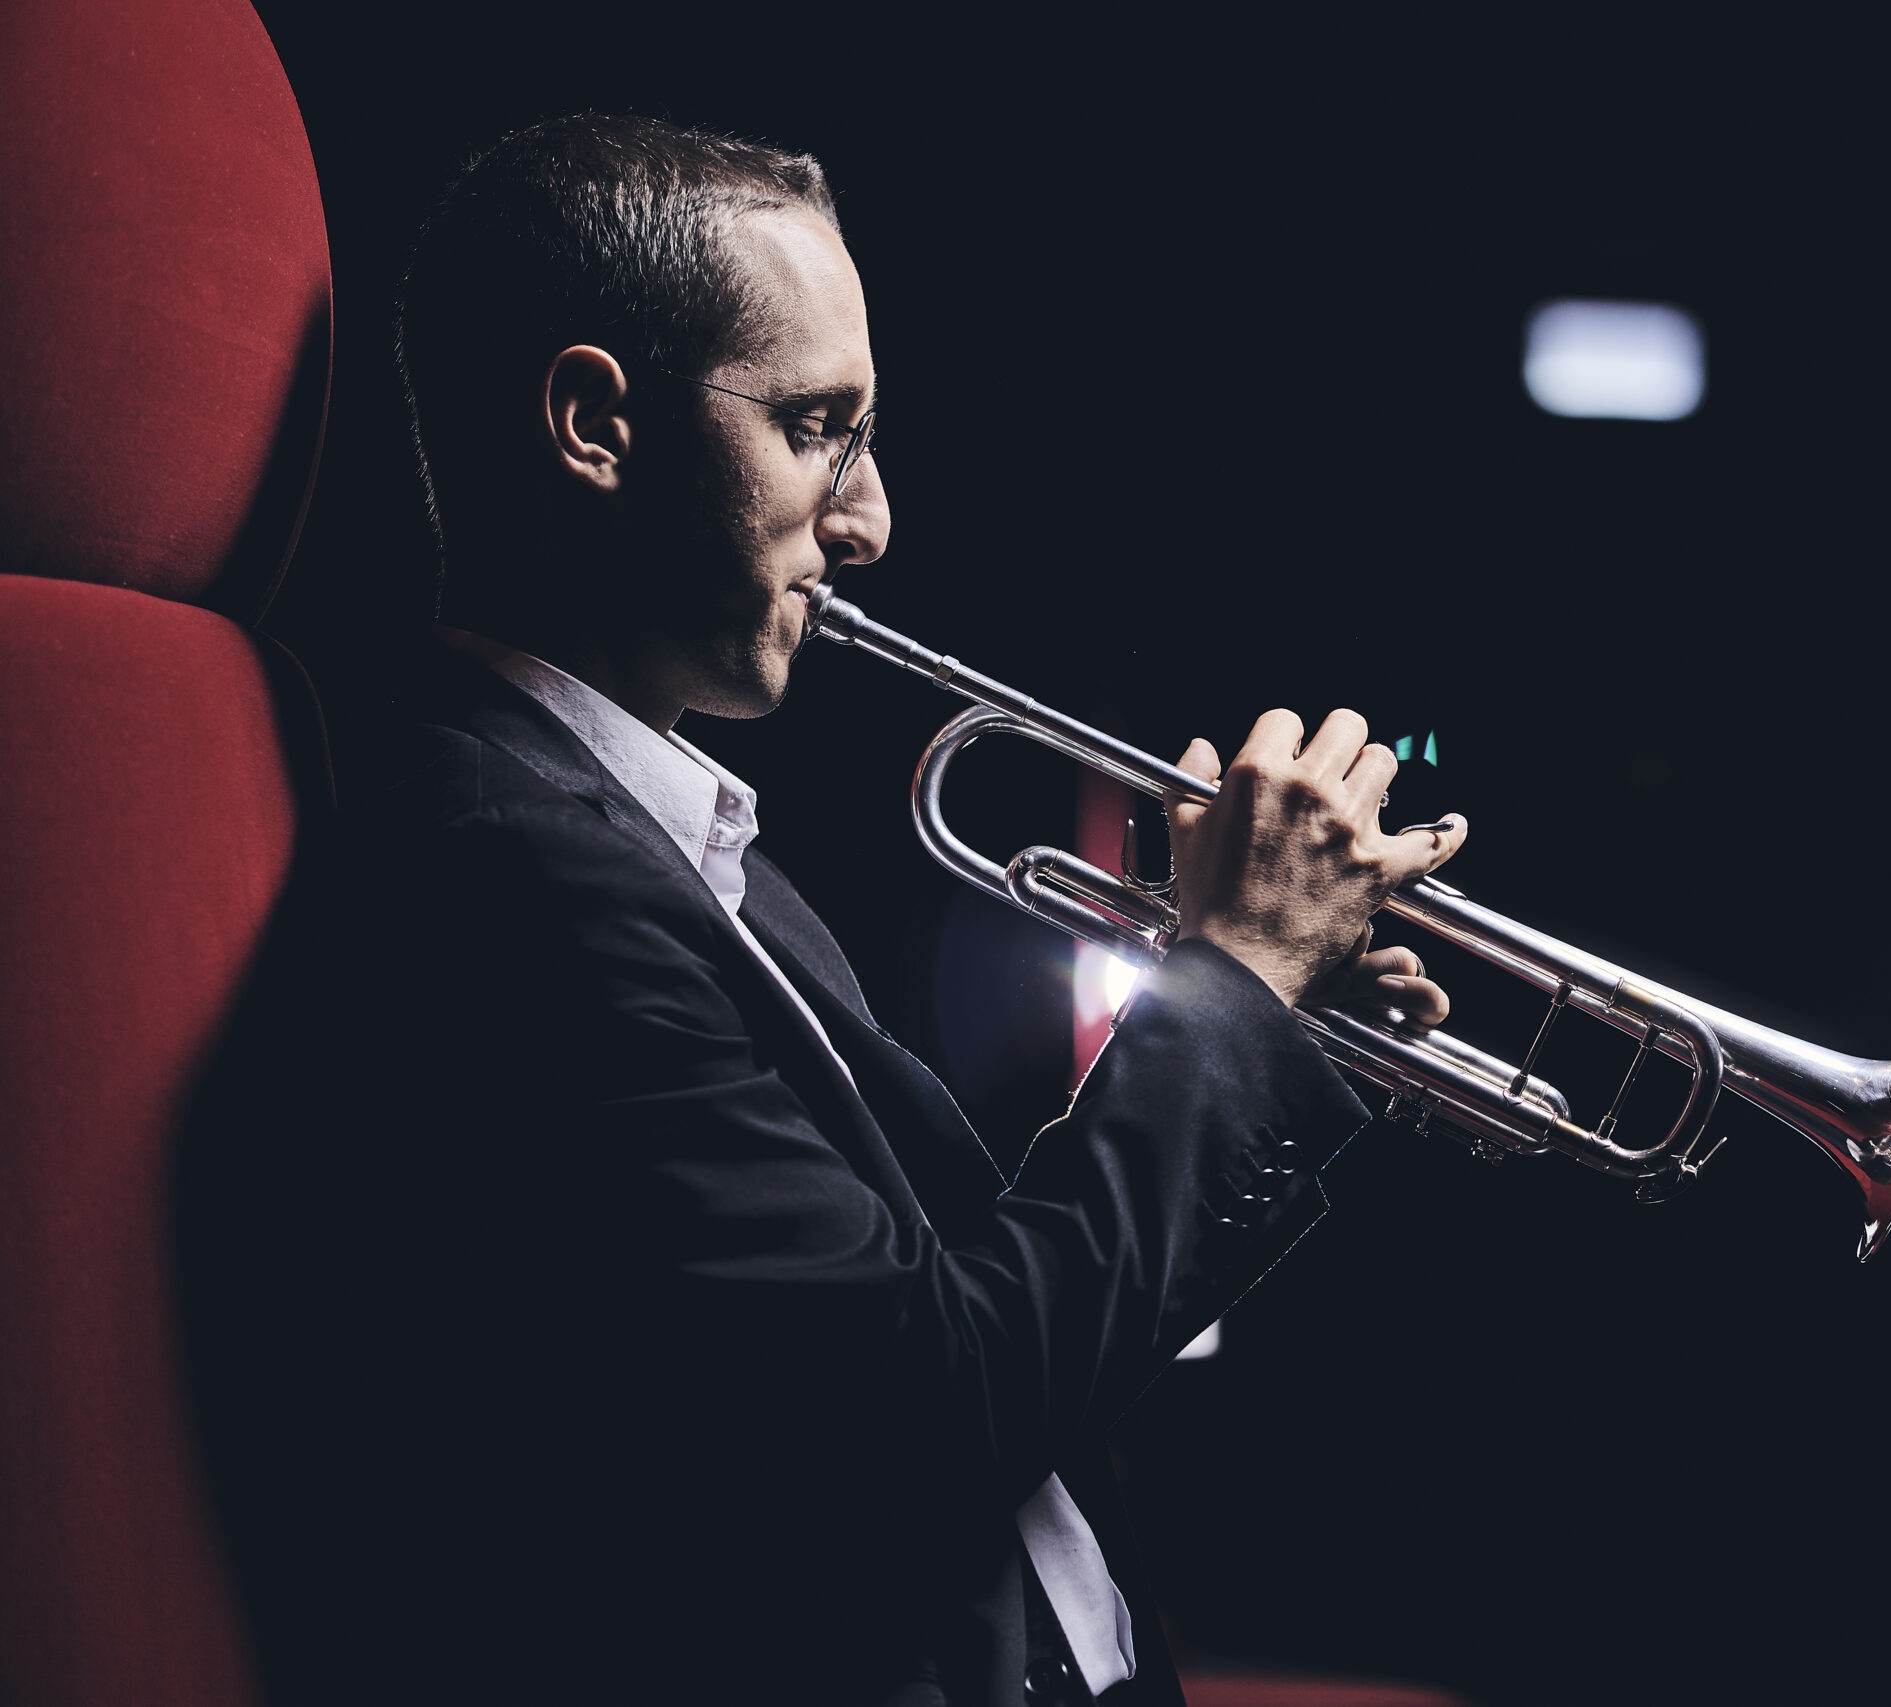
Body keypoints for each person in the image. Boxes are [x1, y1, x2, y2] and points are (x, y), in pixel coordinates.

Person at [179, 114, 1465, 1707]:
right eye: (815, 430)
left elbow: (958, 1321)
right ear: (595, 424)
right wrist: (1236, 985)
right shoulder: (508, 873)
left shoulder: (669, 847)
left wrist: (1257, 1020)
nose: (868, 524)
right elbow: (924, 1415)